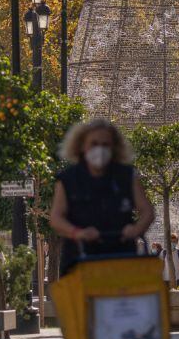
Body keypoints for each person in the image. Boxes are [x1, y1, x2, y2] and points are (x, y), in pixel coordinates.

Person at [49, 118, 155, 276]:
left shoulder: (127, 176)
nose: (100, 149)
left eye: (106, 144)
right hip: (80, 260)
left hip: (121, 256)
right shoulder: (67, 179)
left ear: (114, 147)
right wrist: (77, 233)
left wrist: (136, 229)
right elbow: (56, 218)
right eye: (94, 143)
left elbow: (147, 211)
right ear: (82, 146)